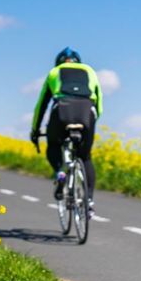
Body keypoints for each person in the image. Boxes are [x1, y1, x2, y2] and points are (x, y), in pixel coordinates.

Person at [30, 47, 102, 215]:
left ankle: (60, 173)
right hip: (87, 112)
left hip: (62, 111)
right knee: (85, 157)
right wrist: (91, 123)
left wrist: (35, 130)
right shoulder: (90, 71)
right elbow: (99, 104)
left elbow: (41, 105)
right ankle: (89, 200)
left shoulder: (54, 72)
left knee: (54, 145)